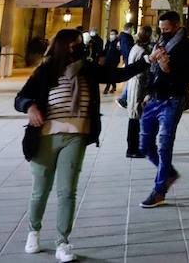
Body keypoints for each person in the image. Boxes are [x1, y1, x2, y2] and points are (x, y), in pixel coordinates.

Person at [15, 28, 148, 262]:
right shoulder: (46, 70)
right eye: (73, 44)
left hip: (76, 136)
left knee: (67, 191)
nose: (77, 47)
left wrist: (147, 60)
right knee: (41, 190)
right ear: (62, 46)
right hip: (45, 136)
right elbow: (21, 97)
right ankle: (33, 231)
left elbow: (118, 75)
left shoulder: (87, 69)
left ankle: (62, 242)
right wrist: (30, 106)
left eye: (79, 44)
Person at [138, 10, 189, 209]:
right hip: (154, 98)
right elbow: (152, 70)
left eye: (166, 29)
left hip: (173, 99)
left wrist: (169, 70)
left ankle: (159, 191)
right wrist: (147, 92)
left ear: (176, 26)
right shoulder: (160, 43)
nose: (162, 31)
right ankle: (168, 174)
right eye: (160, 28)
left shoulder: (187, 47)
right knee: (145, 145)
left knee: (164, 145)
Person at [123, 25, 153, 158]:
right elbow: (144, 71)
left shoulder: (135, 47)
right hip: (139, 85)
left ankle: (134, 147)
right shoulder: (143, 51)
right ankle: (132, 148)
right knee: (135, 118)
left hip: (134, 83)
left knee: (134, 116)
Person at [100, 28, 122, 94]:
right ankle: (114, 86)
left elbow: (119, 52)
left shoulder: (118, 42)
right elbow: (105, 51)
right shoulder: (109, 42)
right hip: (107, 60)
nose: (111, 35)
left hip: (114, 61)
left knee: (110, 74)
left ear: (116, 35)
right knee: (110, 74)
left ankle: (107, 87)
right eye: (110, 34)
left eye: (113, 34)